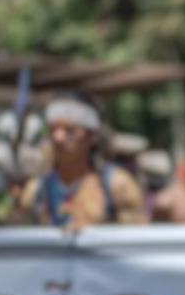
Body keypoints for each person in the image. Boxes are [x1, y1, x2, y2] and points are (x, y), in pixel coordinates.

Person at [22, 92, 147, 230]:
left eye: (70, 130)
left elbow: (135, 240)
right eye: (52, 129)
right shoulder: (35, 190)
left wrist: (90, 233)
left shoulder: (118, 186)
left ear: (92, 135)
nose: (58, 137)